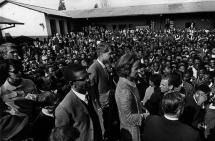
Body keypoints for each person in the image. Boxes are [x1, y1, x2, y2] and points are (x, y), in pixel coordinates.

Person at [55, 63, 102, 141]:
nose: (88, 80)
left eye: (88, 76)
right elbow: (62, 137)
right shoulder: (63, 108)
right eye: (83, 79)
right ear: (71, 83)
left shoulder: (90, 91)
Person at [87, 42, 118, 141]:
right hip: (102, 103)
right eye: (109, 53)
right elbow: (92, 90)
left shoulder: (104, 65)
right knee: (104, 127)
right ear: (102, 54)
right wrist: (98, 106)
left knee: (109, 123)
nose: (111, 55)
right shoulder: (94, 68)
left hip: (108, 101)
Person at [115, 53, 149, 141]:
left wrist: (142, 108)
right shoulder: (124, 89)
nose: (139, 71)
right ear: (126, 69)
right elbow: (128, 118)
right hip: (131, 132)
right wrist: (145, 116)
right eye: (136, 69)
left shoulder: (130, 81)